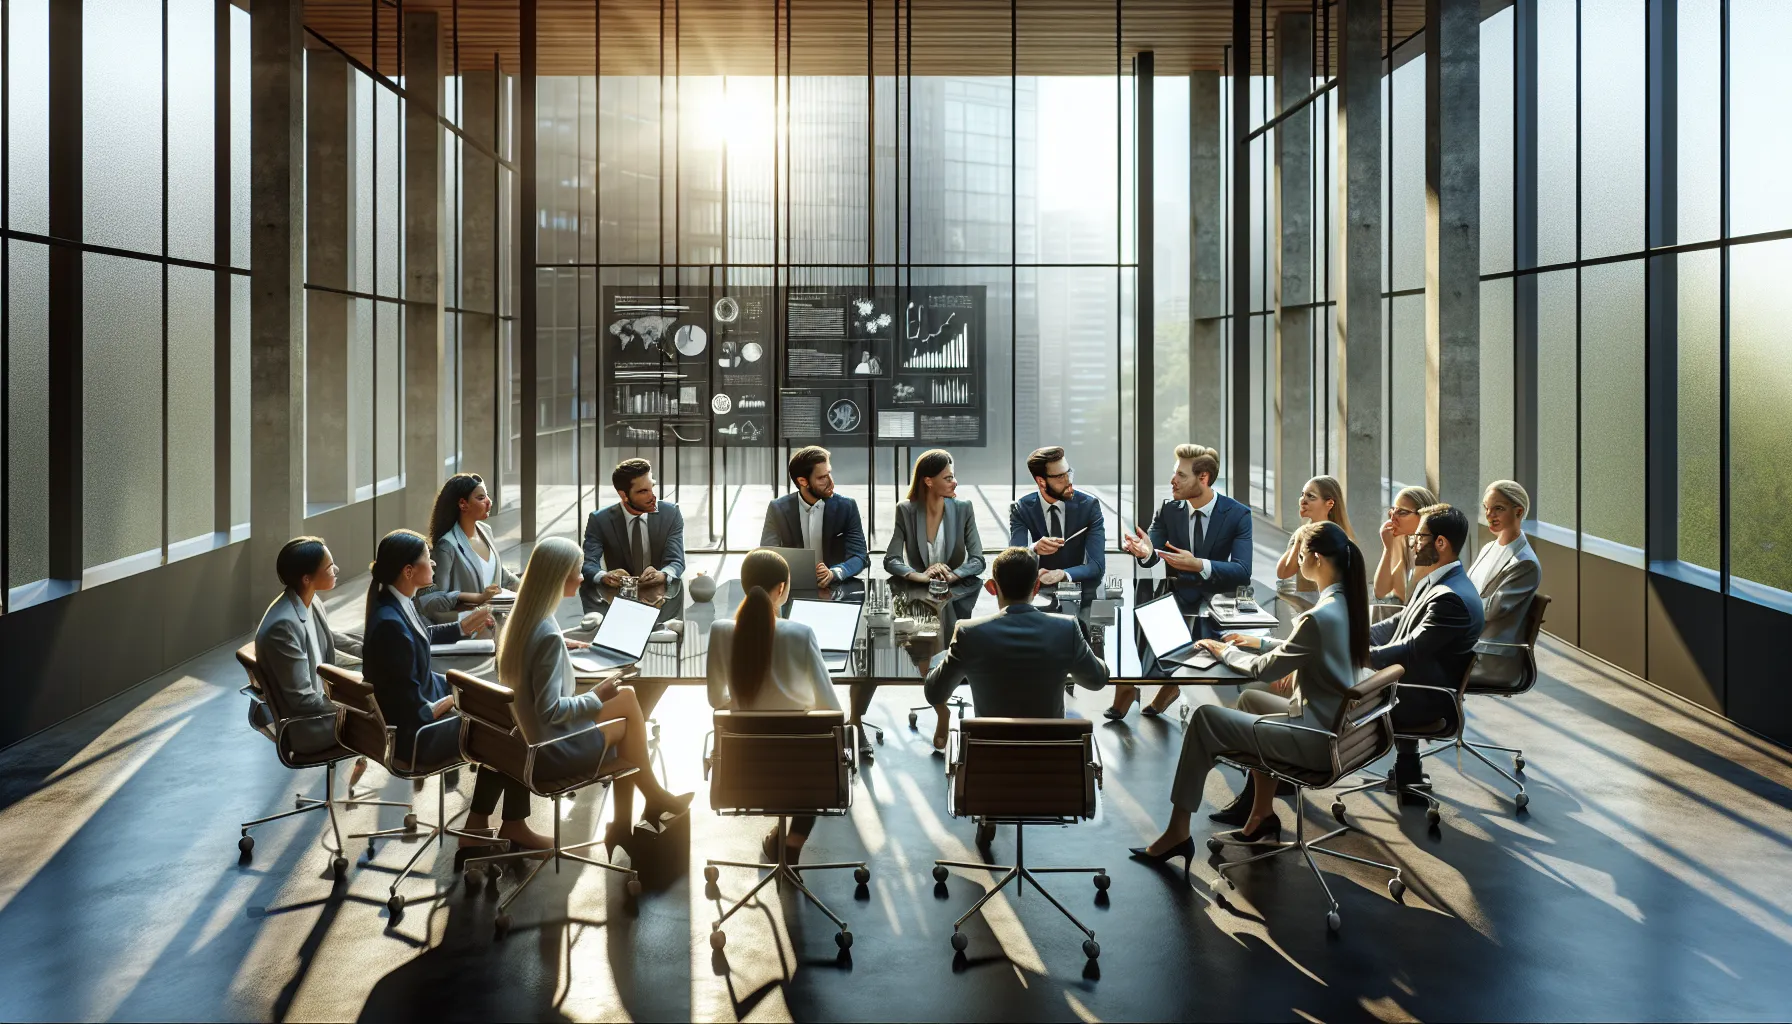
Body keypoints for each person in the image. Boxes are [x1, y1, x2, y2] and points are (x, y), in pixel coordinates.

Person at [1130, 521, 1373, 867]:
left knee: (1205, 719)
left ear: (1317, 559)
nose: (1298, 563)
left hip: (1315, 741)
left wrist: (1224, 651)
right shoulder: (1347, 604)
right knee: (1249, 701)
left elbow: (1264, 670)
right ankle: (1261, 814)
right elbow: (1304, 647)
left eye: (1300, 556)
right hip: (1337, 730)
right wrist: (1257, 642)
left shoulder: (1319, 617)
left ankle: (1177, 832)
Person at [498, 537, 692, 848]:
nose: (582, 578)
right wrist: (597, 694)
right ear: (558, 577)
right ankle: (644, 806)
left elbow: (539, 666)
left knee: (626, 697)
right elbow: (551, 711)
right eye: (576, 572)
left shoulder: (525, 621)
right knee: (627, 722)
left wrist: (563, 645)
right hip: (550, 749)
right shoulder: (546, 635)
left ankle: (634, 814)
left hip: (528, 737)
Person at [361, 530, 547, 851]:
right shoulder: (390, 623)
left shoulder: (394, 604)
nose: (433, 563)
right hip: (418, 736)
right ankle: (509, 826)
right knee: (511, 728)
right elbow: (414, 710)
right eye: (427, 558)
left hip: (419, 717)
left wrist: (462, 627)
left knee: (501, 713)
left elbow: (420, 637)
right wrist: (460, 700)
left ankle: (480, 826)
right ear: (408, 571)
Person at [705, 549, 844, 865]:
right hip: (801, 775)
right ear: (781, 588)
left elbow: (716, 699)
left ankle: (781, 840)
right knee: (817, 748)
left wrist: (749, 707)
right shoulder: (801, 634)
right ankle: (792, 842)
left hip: (744, 770)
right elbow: (832, 710)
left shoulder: (721, 631)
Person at [1112, 443, 1253, 719]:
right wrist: (1145, 551)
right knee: (1135, 615)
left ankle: (1170, 686)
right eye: (1174, 472)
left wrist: (1199, 564)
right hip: (1178, 593)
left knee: (1204, 637)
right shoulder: (1169, 509)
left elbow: (1242, 570)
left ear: (1204, 478)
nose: (1172, 480)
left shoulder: (1237, 514)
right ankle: (1127, 684)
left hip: (1218, 599)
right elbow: (1152, 551)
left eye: (1181, 475)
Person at [1368, 504, 1485, 798]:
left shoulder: (1451, 598)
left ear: (1440, 543)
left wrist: (1358, 656)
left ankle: (1287, 769)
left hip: (1424, 698)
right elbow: (1399, 623)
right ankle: (1408, 768)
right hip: (1413, 684)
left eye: (1419, 537)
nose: (1413, 543)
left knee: (1326, 682)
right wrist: (1354, 637)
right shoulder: (1439, 581)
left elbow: (1410, 650)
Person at [923, 546, 1108, 719]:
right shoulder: (1066, 629)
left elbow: (934, 693)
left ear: (992, 587)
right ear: (1036, 587)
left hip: (989, 742)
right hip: (1049, 742)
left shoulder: (968, 633)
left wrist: (942, 657)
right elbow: (1097, 680)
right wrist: (1091, 646)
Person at [882, 449, 987, 750]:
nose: (955, 482)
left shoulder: (963, 508)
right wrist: (920, 575)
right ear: (928, 481)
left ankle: (941, 691)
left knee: (947, 628)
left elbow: (978, 560)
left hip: (955, 593)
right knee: (923, 636)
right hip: (919, 594)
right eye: (948, 477)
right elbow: (891, 559)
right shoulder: (906, 510)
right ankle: (942, 709)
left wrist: (953, 574)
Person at [252, 537, 368, 786]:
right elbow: (302, 700)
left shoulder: (308, 600)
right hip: (308, 727)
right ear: (307, 578)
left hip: (321, 707)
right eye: (329, 567)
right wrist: (356, 707)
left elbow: (328, 636)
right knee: (387, 716)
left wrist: (365, 650)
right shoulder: (283, 626)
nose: (336, 570)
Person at [581, 458, 686, 611]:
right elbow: (589, 564)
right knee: (587, 586)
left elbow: (676, 560)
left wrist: (663, 574)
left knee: (675, 583)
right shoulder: (600, 520)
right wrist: (604, 576)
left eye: (651, 487)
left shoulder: (670, 514)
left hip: (658, 590)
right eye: (643, 491)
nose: (652, 497)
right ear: (624, 495)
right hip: (619, 592)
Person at [417, 473, 520, 624]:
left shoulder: (486, 531)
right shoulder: (447, 545)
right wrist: (474, 600)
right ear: (463, 504)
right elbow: (439, 598)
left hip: (498, 624)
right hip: (471, 628)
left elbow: (499, 573)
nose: (489, 502)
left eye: (487, 496)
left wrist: (525, 586)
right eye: (481, 498)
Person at [1466, 480, 1542, 683]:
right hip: (1469, 644)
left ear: (1518, 512)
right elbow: (1468, 590)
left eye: (1498, 508)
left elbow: (1491, 610)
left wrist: (1453, 604)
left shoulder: (1525, 563)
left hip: (1489, 657)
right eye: (1486, 508)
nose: (1489, 515)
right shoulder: (1489, 548)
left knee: (1413, 664)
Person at [760, 446, 869, 588]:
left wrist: (834, 573)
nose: (831, 482)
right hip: (793, 587)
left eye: (829, 473)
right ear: (803, 481)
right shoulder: (778, 509)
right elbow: (768, 555)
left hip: (836, 588)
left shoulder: (847, 507)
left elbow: (860, 556)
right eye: (822, 477)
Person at [1007, 446, 1106, 595]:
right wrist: (1034, 549)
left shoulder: (1089, 506)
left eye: (1068, 473)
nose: (1068, 481)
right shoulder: (1022, 508)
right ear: (1041, 482)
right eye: (1060, 477)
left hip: (1078, 592)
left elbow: (1097, 565)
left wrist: (1064, 574)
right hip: (1034, 593)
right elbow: (1014, 560)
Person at [1275, 476, 1354, 587]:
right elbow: (1283, 572)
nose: (1303, 501)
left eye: (1311, 496)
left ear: (1329, 503)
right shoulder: (1301, 533)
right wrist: (1300, 538)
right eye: (1302, 495)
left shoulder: (1339, 538)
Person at [1374, 484, 1439, 606]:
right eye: (1392, 511)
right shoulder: (1404, 541)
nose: (1393, 518)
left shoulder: (1436, 548)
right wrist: (1387, 549)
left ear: (1423, 514)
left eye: (1402, 512)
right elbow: (1381, 592)